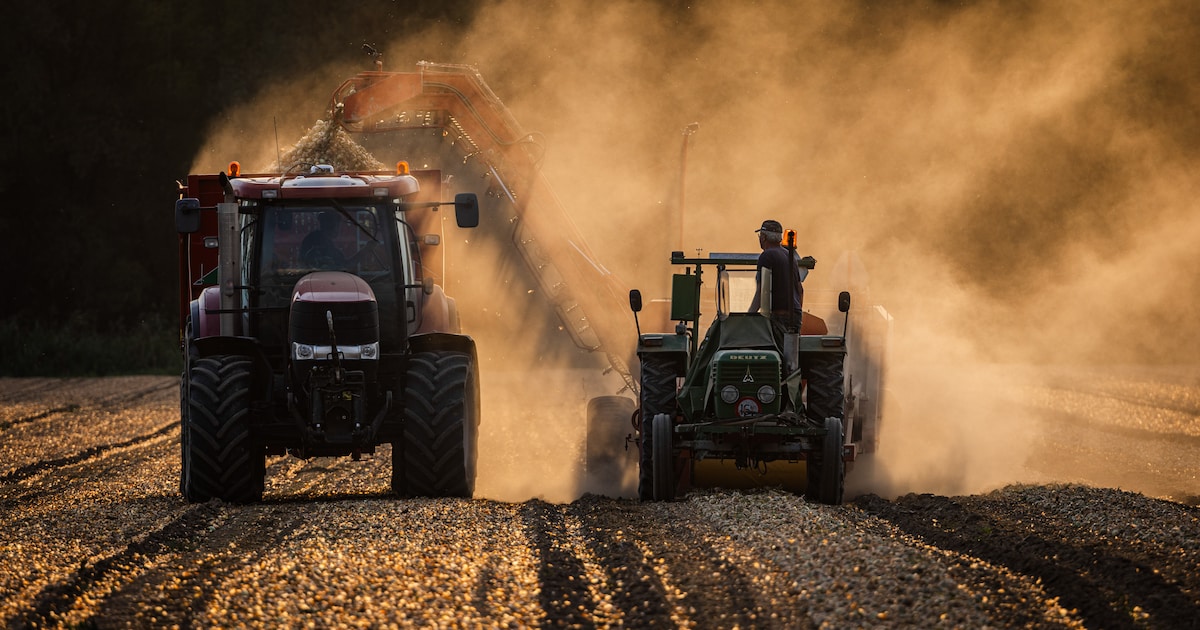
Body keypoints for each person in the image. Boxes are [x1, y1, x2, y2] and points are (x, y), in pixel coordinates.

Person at [747, 219, 804, 334]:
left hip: (778, 317)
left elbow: (762, 291)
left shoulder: (766, 256)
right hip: (795, 317)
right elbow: (800, 290)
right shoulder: (790, 256)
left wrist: (748, 317)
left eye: (760, 236)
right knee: (790, 350)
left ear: (763, 237)